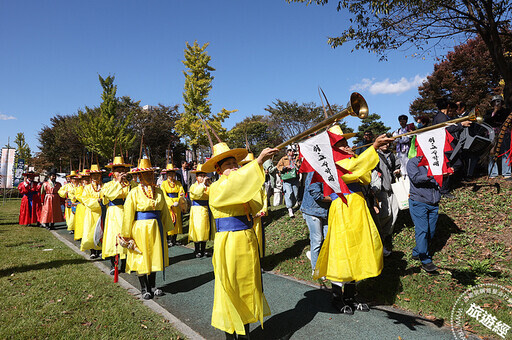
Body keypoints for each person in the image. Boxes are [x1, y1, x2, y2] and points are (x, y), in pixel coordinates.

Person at [201, 141, 277, 339]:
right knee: (230, 287)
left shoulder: (239, 188)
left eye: (236, 164)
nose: (235, 167)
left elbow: (254, 204)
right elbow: (234, 185)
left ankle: (245, 332)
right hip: (228, 242)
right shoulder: (217, 188)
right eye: (229, 165)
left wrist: (255, 170)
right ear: (218, 170)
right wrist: (258, 161)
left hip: (247, 239)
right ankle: (230, 334)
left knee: (248, 286)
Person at [313, 127, 394, 315]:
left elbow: (365, 177)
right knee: (342, 251)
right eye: (342, 144)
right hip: (342, 207)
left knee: (358, 249)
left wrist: (356, 158)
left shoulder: (351, 161)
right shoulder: (331, 162)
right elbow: (353, 172)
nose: (347, 146)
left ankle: (351, 295)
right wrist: (372, 148)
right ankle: (337, 297)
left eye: (347, 143)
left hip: (358, 207)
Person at [121, 157, 173, 300]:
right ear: (139, 176)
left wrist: (167, 228)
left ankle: (153, 285)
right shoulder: (134, 193)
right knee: (142, 257)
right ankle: (144, 288)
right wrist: (126, 234)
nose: (150, 177)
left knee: (155, 255)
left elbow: (164, 212)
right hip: (140, 228)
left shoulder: (159, 192)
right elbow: (128, 214)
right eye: (146, 174)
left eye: (151, 174)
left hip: (156, 227)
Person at [407, 155, 444, 273]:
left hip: (433, 202)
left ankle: (417, 252)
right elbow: (416, 178)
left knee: (430, 231)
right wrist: (433, 174)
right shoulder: (413, 162)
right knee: (422, 230)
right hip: (418, 201)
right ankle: (425, 260)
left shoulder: (435, 160)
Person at [101, 156, 135, 274]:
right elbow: (109, 195)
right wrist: (118, 183)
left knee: (127, 236)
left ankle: (126, 264)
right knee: (113, 237)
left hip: (127, 212)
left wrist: (130, 182)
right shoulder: (108, 185)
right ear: (113, 172)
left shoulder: (130, 183)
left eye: (123, 170)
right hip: (114, 213)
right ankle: (112, 265)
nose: (121, 172)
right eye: (118, 170)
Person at [432, 99, 472, 197]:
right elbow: (447, 129)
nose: (453, 112)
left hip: (447, 146)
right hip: (444, 146)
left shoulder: (441, 116)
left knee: (457, 164)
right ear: (448, 106)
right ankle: (444, 191)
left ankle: (446, 186)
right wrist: (461, 124)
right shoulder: (441, 117)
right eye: (452, 109)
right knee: (448, 167)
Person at [300, 170, 333, 284]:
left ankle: (323, 265)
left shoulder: (330, 170)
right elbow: (316, 194)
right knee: (317, 239)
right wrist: (335, 197)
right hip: (312, 210)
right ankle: (316, 269)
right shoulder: (314, 171)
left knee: (328, 239)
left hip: (326, 211)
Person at [370, 142, 400, 257]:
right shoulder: (374, 155)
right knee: (386, 213)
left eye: (388, 143)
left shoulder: (392, 155)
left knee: (395, 211)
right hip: (381, 188)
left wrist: (397, 170)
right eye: (384, 143)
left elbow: (397, 165)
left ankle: (387, 234)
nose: (386, 145)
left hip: (393, 186)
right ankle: (380, 235)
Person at [188, 164, 215, 258]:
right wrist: (203, 184)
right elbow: (196, 194)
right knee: (197, 229)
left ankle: (203, 250)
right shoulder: (193, 186)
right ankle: (196, 250)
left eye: (204, 176)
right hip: (197, 210)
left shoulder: (208, 186)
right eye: (201, 176)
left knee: (205, 230)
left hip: (206, 209)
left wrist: (210, 183)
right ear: (196, 177)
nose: (203, 178)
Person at [80, 164, 104, 259]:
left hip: (101, 212)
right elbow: (85, 199)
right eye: (94, 175)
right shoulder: (88, 187)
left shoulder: (104, 186)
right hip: (91, 213)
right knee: (90, 232)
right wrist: (96, 201)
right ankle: (92, 251)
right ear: (91, 176)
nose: (96, 177)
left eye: (97, 175)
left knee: (101, 231)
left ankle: (100, 249)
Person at [485, 95, 512, 179]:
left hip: (504, 132)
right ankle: (493, 172)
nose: (497, 103)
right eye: (495, 102)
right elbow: (487, 120)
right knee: (491, 152)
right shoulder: (489, 112)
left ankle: (506, 172)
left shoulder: (506, 111)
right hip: (492, 133)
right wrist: (494, 112)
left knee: (505, 152)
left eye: (499, 101)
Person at [160, 163, 185, 246]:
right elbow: (164, 195)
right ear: (167, 174)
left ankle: (174, 239)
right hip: (169, 204)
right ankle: (168, 239)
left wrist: (178, 200)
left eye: (173, 173)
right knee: (169, 220)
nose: (171, 175)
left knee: (177, 221)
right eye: (169, 173)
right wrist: (171, 203)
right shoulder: (164, 184)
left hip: (177, 204)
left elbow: (181, 192)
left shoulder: (178, 183)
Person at [276, 148, 301, 217]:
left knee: (295, 194)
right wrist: (284, 167)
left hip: (295, 178)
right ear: (287, 151)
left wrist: (297, 165)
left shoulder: (297, 158)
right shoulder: (284, 159)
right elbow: (278, 166)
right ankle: (290, 209)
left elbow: (300, 165)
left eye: (292, 150)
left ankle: (292, 204)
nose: (291, 152)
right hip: (286, 178)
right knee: (288, 193)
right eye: (290, 150)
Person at [73, 169, 90, 242]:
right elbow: (78, 196)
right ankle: (81, 236)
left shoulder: (92, 187)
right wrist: (86, 200)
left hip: (89, 207)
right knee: (81, 222)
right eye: (85, 179)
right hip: (82, 207)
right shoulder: (80, 188)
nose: (86, 181)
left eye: (88, 179)